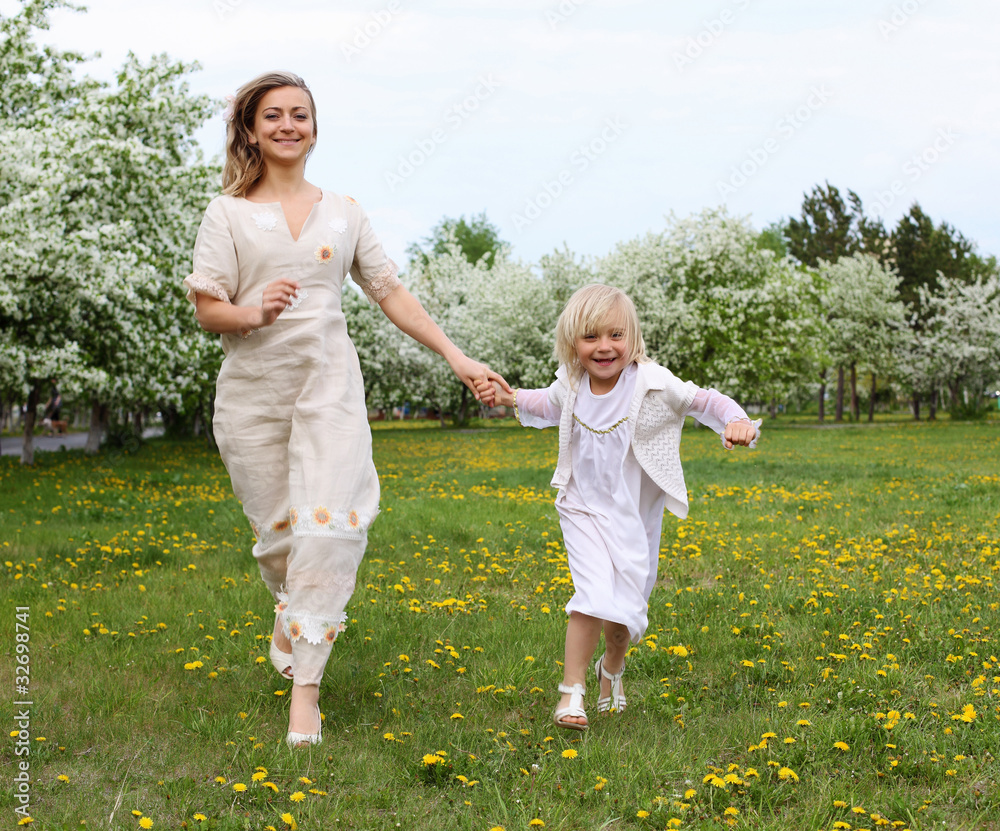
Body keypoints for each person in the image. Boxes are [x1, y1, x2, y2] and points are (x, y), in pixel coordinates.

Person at [184, 71, 506, 747]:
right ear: (250, 129)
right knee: (280, 537)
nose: (287, 125)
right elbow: (208, 306)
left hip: (330, 389)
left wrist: (455, 355)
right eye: (272, 115)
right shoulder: (228, 214)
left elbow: (390, 292)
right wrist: (253, 309)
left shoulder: (345, 211)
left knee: (329, 529)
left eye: (300, 114)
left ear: (314, 127)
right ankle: (288, 603)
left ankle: (306, 693)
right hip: (253, 396)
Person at [477, 285, 760, 730]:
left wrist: (736, 420)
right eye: (590, 337)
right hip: (581, 507)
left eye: (615, 335)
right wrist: (508, 397)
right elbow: (543, 404)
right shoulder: (570, 384)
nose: (604, 347)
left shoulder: (652, 383)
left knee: (623, 617)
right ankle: (572, 694)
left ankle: (611, 668)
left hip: (633, 516)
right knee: (591, 595)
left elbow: (706, 401)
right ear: (573, 344)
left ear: (633, 339)